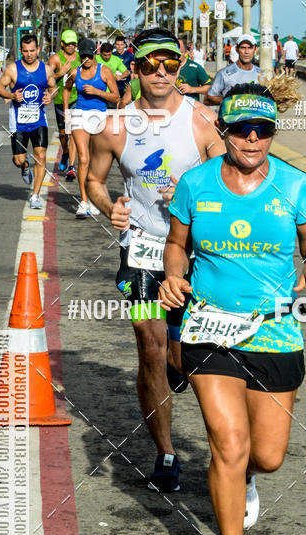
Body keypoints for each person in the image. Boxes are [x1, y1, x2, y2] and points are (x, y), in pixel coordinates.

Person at [159, 82, 306, 535]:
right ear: (223, 130)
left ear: (273, 134)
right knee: (229, 444)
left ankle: (244, 479)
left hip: (275, 329)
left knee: (268, 454)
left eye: (263, 130)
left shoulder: (296, 185)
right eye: (241, 129)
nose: (252, 140)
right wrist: (172, 276)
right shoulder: (196, 183)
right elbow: (176, 242)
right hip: (210, 328)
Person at [86, 27, 225, 493]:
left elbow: (229, 180)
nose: (161, 72)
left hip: (198, 251)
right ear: (135, 68)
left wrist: (194, 191)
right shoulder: (114, 126)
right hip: (143, 249)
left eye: (169, 63)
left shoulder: (203, 121)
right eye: (150, 64)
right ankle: (166, 453)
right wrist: (112, 208)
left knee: (189, 352)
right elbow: (93, 181)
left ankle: (176, 363)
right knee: (149, 345)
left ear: (180, 63)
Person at [0, 33, 56, 210]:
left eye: (32, 50)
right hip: (18, 121)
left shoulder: (46, 70)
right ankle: (24, 166)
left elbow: (53, 88)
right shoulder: (13, 69)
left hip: (39, 120)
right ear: (21, 51)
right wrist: (11, 95)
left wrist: (50, 97)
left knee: (41, 155)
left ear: (38, 50)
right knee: (18, 159)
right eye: (25, 51)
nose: (29, 54)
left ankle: (35, 195)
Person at [63, 37, 119, 218]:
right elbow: (66, 88)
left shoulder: (105, 72)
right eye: (83, 56)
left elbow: (116, 97)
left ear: (94, 54)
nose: (85, 60)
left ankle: (95, 199)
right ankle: (84, 201)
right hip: (79, 114)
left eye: (88, 56)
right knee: (83, 158)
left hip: (99, 116)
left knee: (96, 161)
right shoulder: (75, 72)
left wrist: (97, 92)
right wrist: (66, 110)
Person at [48, 30, 80, 180]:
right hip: (61, 100)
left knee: (72, 132)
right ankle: (65, 152)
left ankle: (71, 166)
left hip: (78, 99)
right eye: (68, 44)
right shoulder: (55, 58)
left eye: (73, 44)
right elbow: (46, 78)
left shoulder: (80, 57)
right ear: (62, 44)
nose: (71, 47)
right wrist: (60, 73)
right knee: (63, 133)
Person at [206, 34, 260, 106]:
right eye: (243, 48)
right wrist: (233, 101)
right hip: (232, 116)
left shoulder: (261, 74)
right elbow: (210, 97)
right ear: (236, 49)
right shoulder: (224, 73)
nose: (246, 52)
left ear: (255, 49)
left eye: (250, 48)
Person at [175, 37, 212, 102]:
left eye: (179, 52)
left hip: (191, 109)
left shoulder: (195, 68)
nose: (176, 55)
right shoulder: (165, 67)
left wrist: (192, 89)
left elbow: (210, 88)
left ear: (186, 52)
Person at [96, 40, 129, 106]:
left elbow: (126, 72)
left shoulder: (116, 59)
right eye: (105, 55)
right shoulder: (96, 58)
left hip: (111, 93)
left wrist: (120, 77)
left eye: (109, 55)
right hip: (98, 92)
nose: (107, 57)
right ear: (101, 53)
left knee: (111, 114)